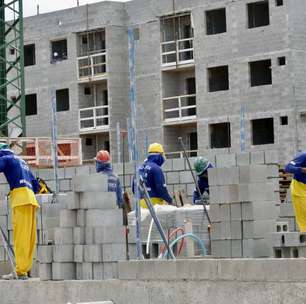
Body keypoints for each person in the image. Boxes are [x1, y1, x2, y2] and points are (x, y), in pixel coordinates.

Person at [0, 143, 40, 280]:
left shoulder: (6, 159)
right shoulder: (22, 161)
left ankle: (21, 271)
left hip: (20, 199)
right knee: (29, 237)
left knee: (20, 237)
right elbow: (37, 185)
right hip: (31, 200)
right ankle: (25, 268)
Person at [138, 143, 172, 208]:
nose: (163, 157)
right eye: (162, 155)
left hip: (140, 205)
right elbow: (161, 189)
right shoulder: (156, 168)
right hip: (154, 205)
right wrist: (170, 201)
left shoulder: (139, 168)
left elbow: (134, 189)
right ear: (159, 155)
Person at [285, 151, 306, 231]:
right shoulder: (303, 156)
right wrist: (302, 170)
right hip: (299, 190)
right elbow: (288, 167)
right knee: (303, 218)